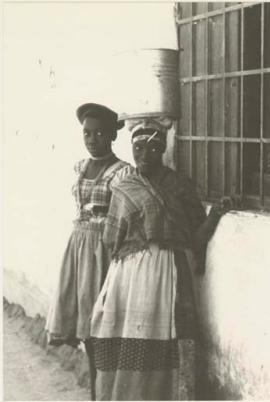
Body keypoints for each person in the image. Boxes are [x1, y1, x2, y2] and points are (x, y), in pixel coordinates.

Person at [89, 121, 230, 400]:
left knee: (167, 337)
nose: (145, 154)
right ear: (132, 149)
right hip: (128, 278)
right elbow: (110, 240)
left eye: (153, 147)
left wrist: (215, 215)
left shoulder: (179, 185)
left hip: (169, 272)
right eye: (139, 147)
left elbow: (195, 237)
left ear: (163, 150)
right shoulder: (124, 186)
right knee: (129, 334)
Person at [46, 103, 130, 400]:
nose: (92, 139)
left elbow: (124, 216)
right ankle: (97, 393)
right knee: (85, 325)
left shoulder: (121, 172)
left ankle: (106, 393)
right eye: (86, 133)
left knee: (101, 327)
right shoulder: (80, 167)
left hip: (103, 252)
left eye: (98, 133)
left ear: (111, 136)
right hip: (79, 248)